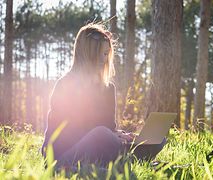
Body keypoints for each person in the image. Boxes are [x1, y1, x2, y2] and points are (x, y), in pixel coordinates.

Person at [41, 22, 166, 169]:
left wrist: (123, 135)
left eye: (107, 54)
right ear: (87, 55)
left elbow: (109, 127)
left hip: (100, 145)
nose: (104, 59)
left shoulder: (107, 88)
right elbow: (68, 133)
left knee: (157, 139)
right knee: (102, 136)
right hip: (63, 156)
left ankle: (128, 160)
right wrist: (110, 135)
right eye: (101, 53)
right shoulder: (65, 85)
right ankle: (128, 161)